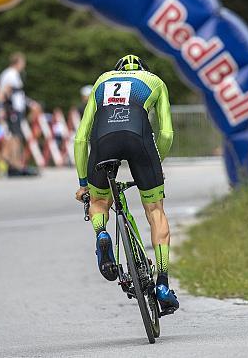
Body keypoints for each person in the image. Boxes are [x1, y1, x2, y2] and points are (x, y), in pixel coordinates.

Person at [73, 54, 178, 313]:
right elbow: (166, 132)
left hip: (103, 139)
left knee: (98, 202)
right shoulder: (154, 81)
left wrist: (83, 183)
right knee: (155, 211)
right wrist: (156, 163)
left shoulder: (102, 81)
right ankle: (162, 282)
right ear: (141, 69)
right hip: (138, 139)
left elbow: (80, 138)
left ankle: (102, 234)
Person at [0, 52, 37, 176]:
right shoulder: (11, 74)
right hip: (12, 109)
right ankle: (15, 164)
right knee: (15, 137)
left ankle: (16, 163)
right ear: (18, 62)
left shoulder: (12, 74)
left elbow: (18, 94)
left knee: (17, 136)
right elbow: (3, 92)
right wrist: (2, 108)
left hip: (16, 109)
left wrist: (30, 103)